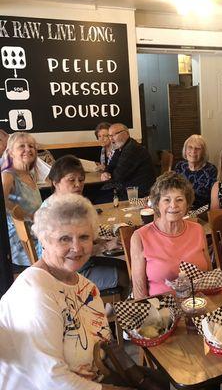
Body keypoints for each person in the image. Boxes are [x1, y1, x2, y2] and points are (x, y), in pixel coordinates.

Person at [0, 193, 128, 390]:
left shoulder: (87, 288)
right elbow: (50, 380)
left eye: (84, 236)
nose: (76, 247)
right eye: (64, 238)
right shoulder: (35, 293)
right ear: (44, 240)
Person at [47, 155, 129, 296]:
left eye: (81, 180)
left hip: (75, 265)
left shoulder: (67, 204)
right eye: (71, 180)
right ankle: (110, 312)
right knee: (127, 274)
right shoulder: (57, 213)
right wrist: (104, 246)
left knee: (125, 265)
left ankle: (110, 310)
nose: (78, 184)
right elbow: (68, 253)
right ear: (55, 182)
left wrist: (101, 241)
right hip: (65, 274)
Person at [130, 172, 210, 298]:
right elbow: (139, 291)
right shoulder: (140, 237)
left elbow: (208, 276)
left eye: (179, 199)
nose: (173, 205)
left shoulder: (198, 230)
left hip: (199, 305)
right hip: (163, 310)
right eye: (167, 200)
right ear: (157, 204)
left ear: (187, 204)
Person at [1, 132, 42, 271]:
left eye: (31, 146)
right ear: (11, 152)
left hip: (37, 232)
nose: (28, 149)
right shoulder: (8, 175)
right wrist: (28, 215)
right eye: (21, 146)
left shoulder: (30, 174)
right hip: (22, 242)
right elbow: (3, 203)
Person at [101, 123, 156, 200]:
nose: (111, 139)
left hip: (139, 193)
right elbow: (111, 165)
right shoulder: (121, 147)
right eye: (109, 136)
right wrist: (106, 172)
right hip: (127, 188)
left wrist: (108, 175)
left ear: (126, 133)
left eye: (113, 135)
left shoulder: (132, 149)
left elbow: (119, 175)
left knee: (98, 198)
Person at [174, 134, 217, 210]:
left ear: (203, 152)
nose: (193, 151)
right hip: (180, 208)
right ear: (185, 150)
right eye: (190, 147)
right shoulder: (180, 166)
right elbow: (173, 189)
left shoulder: (211, 170)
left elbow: (213, 199)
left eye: (197, 148)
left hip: (201, 211)